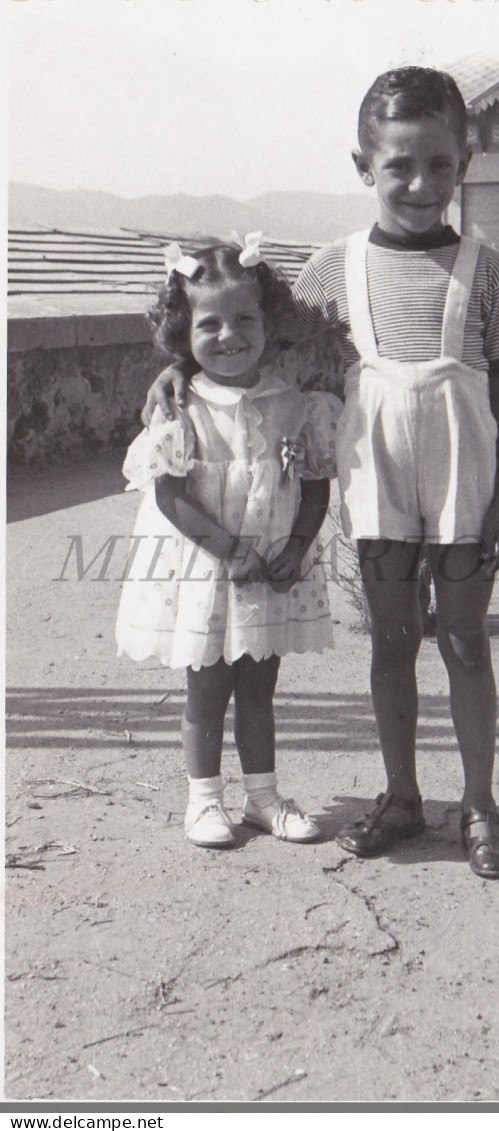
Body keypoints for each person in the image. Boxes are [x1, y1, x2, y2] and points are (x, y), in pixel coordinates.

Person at [143, 67, 499, 879]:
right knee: (392, 640)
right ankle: (400, 795)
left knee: (462, 639)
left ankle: (480, 804)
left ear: (465, 159)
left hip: (467, 483)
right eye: (398, 167)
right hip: (376, 481)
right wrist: (172, 370)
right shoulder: (330, 269)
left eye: (440, 165)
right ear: (363, 166)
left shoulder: (486, 272)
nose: (421, 185)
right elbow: (244, 343)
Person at [117, 240, 342, 849]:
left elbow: (315, 485)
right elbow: (172, 497)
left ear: (270, 323)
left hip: (270, 568)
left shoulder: (294, 404)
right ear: (182, 331)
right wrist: (230, 550)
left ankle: (263, 799)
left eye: (245, 319)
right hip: (206, 569)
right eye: (208, 323)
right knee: (207, 687)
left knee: (259, 687)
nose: (229, 335)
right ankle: (203, 800)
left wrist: (295, 546)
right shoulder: (179, 405)